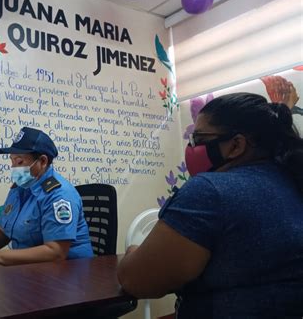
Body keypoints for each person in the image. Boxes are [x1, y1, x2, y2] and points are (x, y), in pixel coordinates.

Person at [117, 93, 303, 318]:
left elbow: (137, 281)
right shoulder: (293, 181)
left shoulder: (209, 192)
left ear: (236, 145)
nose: (191, 147)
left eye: (199, 139)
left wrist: (133, 252)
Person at [0, 127, 93, 265]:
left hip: (69, 274)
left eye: (19, 161)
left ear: (42, 161)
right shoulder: (20, 188)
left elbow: (56, 252)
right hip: (30, 270)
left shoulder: (58, 195)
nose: (14, 168)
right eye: (12, 161)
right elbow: (3, 231)